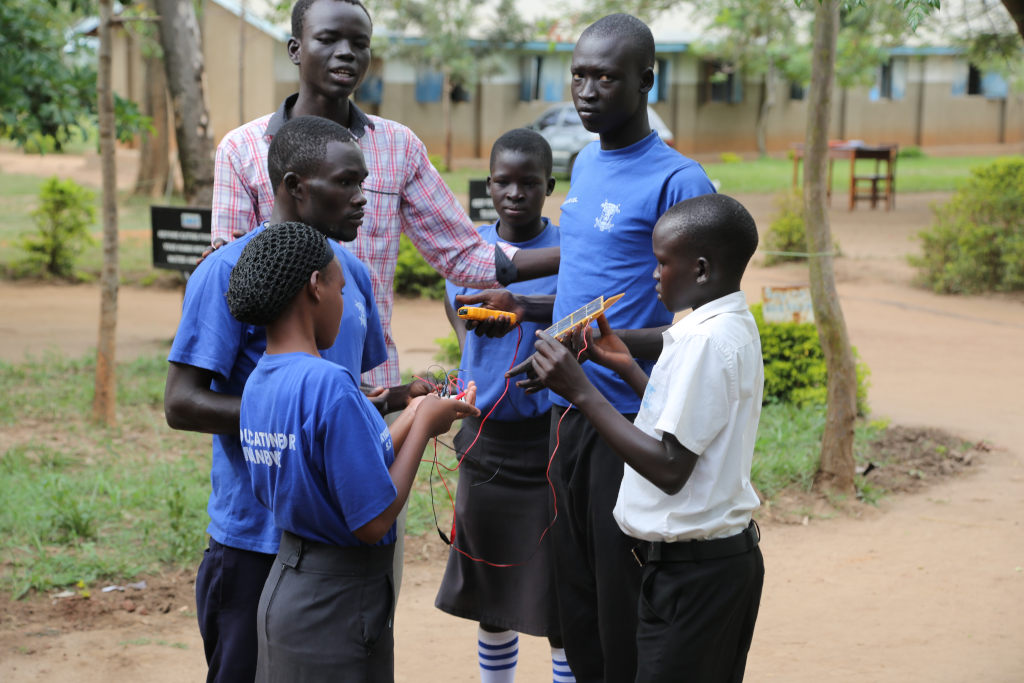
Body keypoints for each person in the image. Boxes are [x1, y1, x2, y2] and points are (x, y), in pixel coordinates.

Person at [455, 14, 716, 681]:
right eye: (579, 75)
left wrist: (595, 353)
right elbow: (594, 281)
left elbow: (700, 330)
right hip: (564, 411)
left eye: (606, 76)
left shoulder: (678, 183)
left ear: (645, 81)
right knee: (574, 598)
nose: (588, 90)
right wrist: (526, 306)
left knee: (618, 596)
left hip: (625, 419)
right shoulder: (588, 161)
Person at [210, 0, 558, 393]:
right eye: (328, 39)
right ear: (295, 49)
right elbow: (232, 276)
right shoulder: (242, 150)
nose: (346, 52)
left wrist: (579, 253)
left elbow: (461, 253)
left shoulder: (398, 146)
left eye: (360, 43)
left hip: (372, 385)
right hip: (275, 388)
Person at [164, 116, 398, 682]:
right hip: (254, 538)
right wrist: (295, 420)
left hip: (342, 548)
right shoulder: (227, 272)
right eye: (345, 183)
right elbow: (183, 403)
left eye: (363, 183)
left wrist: (397, 402)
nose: (360, 199)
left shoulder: (352, 275)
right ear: (294, 186)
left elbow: (340, 398)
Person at [225, 222, 479, 682]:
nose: (345, 306)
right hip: (336, 606)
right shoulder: (328, 382)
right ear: (315, 288)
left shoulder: (262, 380)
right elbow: (373, 520)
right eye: (342, 290)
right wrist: (423, 425)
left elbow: (355, 459)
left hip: (289, 590)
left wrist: (414, 412)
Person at [530, 193, 765, 683]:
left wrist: (582, 390)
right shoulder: (726, 324)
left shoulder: (703, 342)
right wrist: (627, 369)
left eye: (661, 262)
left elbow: (670, 467)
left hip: (693, 578)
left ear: (700, 270)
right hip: (710, 569)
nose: (654, 274)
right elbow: (688, 422)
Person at [433, 129, 572, 683]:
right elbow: (467, 341)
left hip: (550, 444)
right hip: (484, 445)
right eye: (504, 182)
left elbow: (581, 325)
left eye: (529, 183)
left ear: (549, 186)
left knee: (558, 591)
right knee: (489, 594)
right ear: (488, 184)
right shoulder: (466, 257)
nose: (515, 193)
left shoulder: (570, 253)